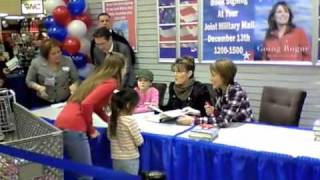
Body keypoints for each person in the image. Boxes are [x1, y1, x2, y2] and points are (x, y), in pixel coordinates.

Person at [55, 52, 125, 180]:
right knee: (86, 175)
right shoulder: (111, 83)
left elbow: (96, 106)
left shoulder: (96, 79)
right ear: (120, 68)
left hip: (63, 121)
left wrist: (110, 121)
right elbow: (87, 104)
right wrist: (91, 129)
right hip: (75, 125)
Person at [26, 39, 79, 106]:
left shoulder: (67, 61)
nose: (58, 55)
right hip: (44, 101)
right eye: (53, 54)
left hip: (65, 100)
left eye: (59, 52)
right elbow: (29, 81)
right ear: (46, 55)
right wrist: (38, 87)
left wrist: (75, 85)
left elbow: (76, 79)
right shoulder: (36, 63)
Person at [204, 59, 253, 127]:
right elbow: (222, 114)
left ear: (224, 77)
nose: (210, 79)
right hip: (231, 126)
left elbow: (224, 121)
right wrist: (214, 111)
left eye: (213, 75)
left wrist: (195, 120)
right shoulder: (220, 90)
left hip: (244, 128)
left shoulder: (236, 92)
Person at [108, 87, 143, 175]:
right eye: (135, 106)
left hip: (116, 158)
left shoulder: (112, 118)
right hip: (130, 159)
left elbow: (109, 137)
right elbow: (139, 142)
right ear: (128, 105)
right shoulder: (130, 121)